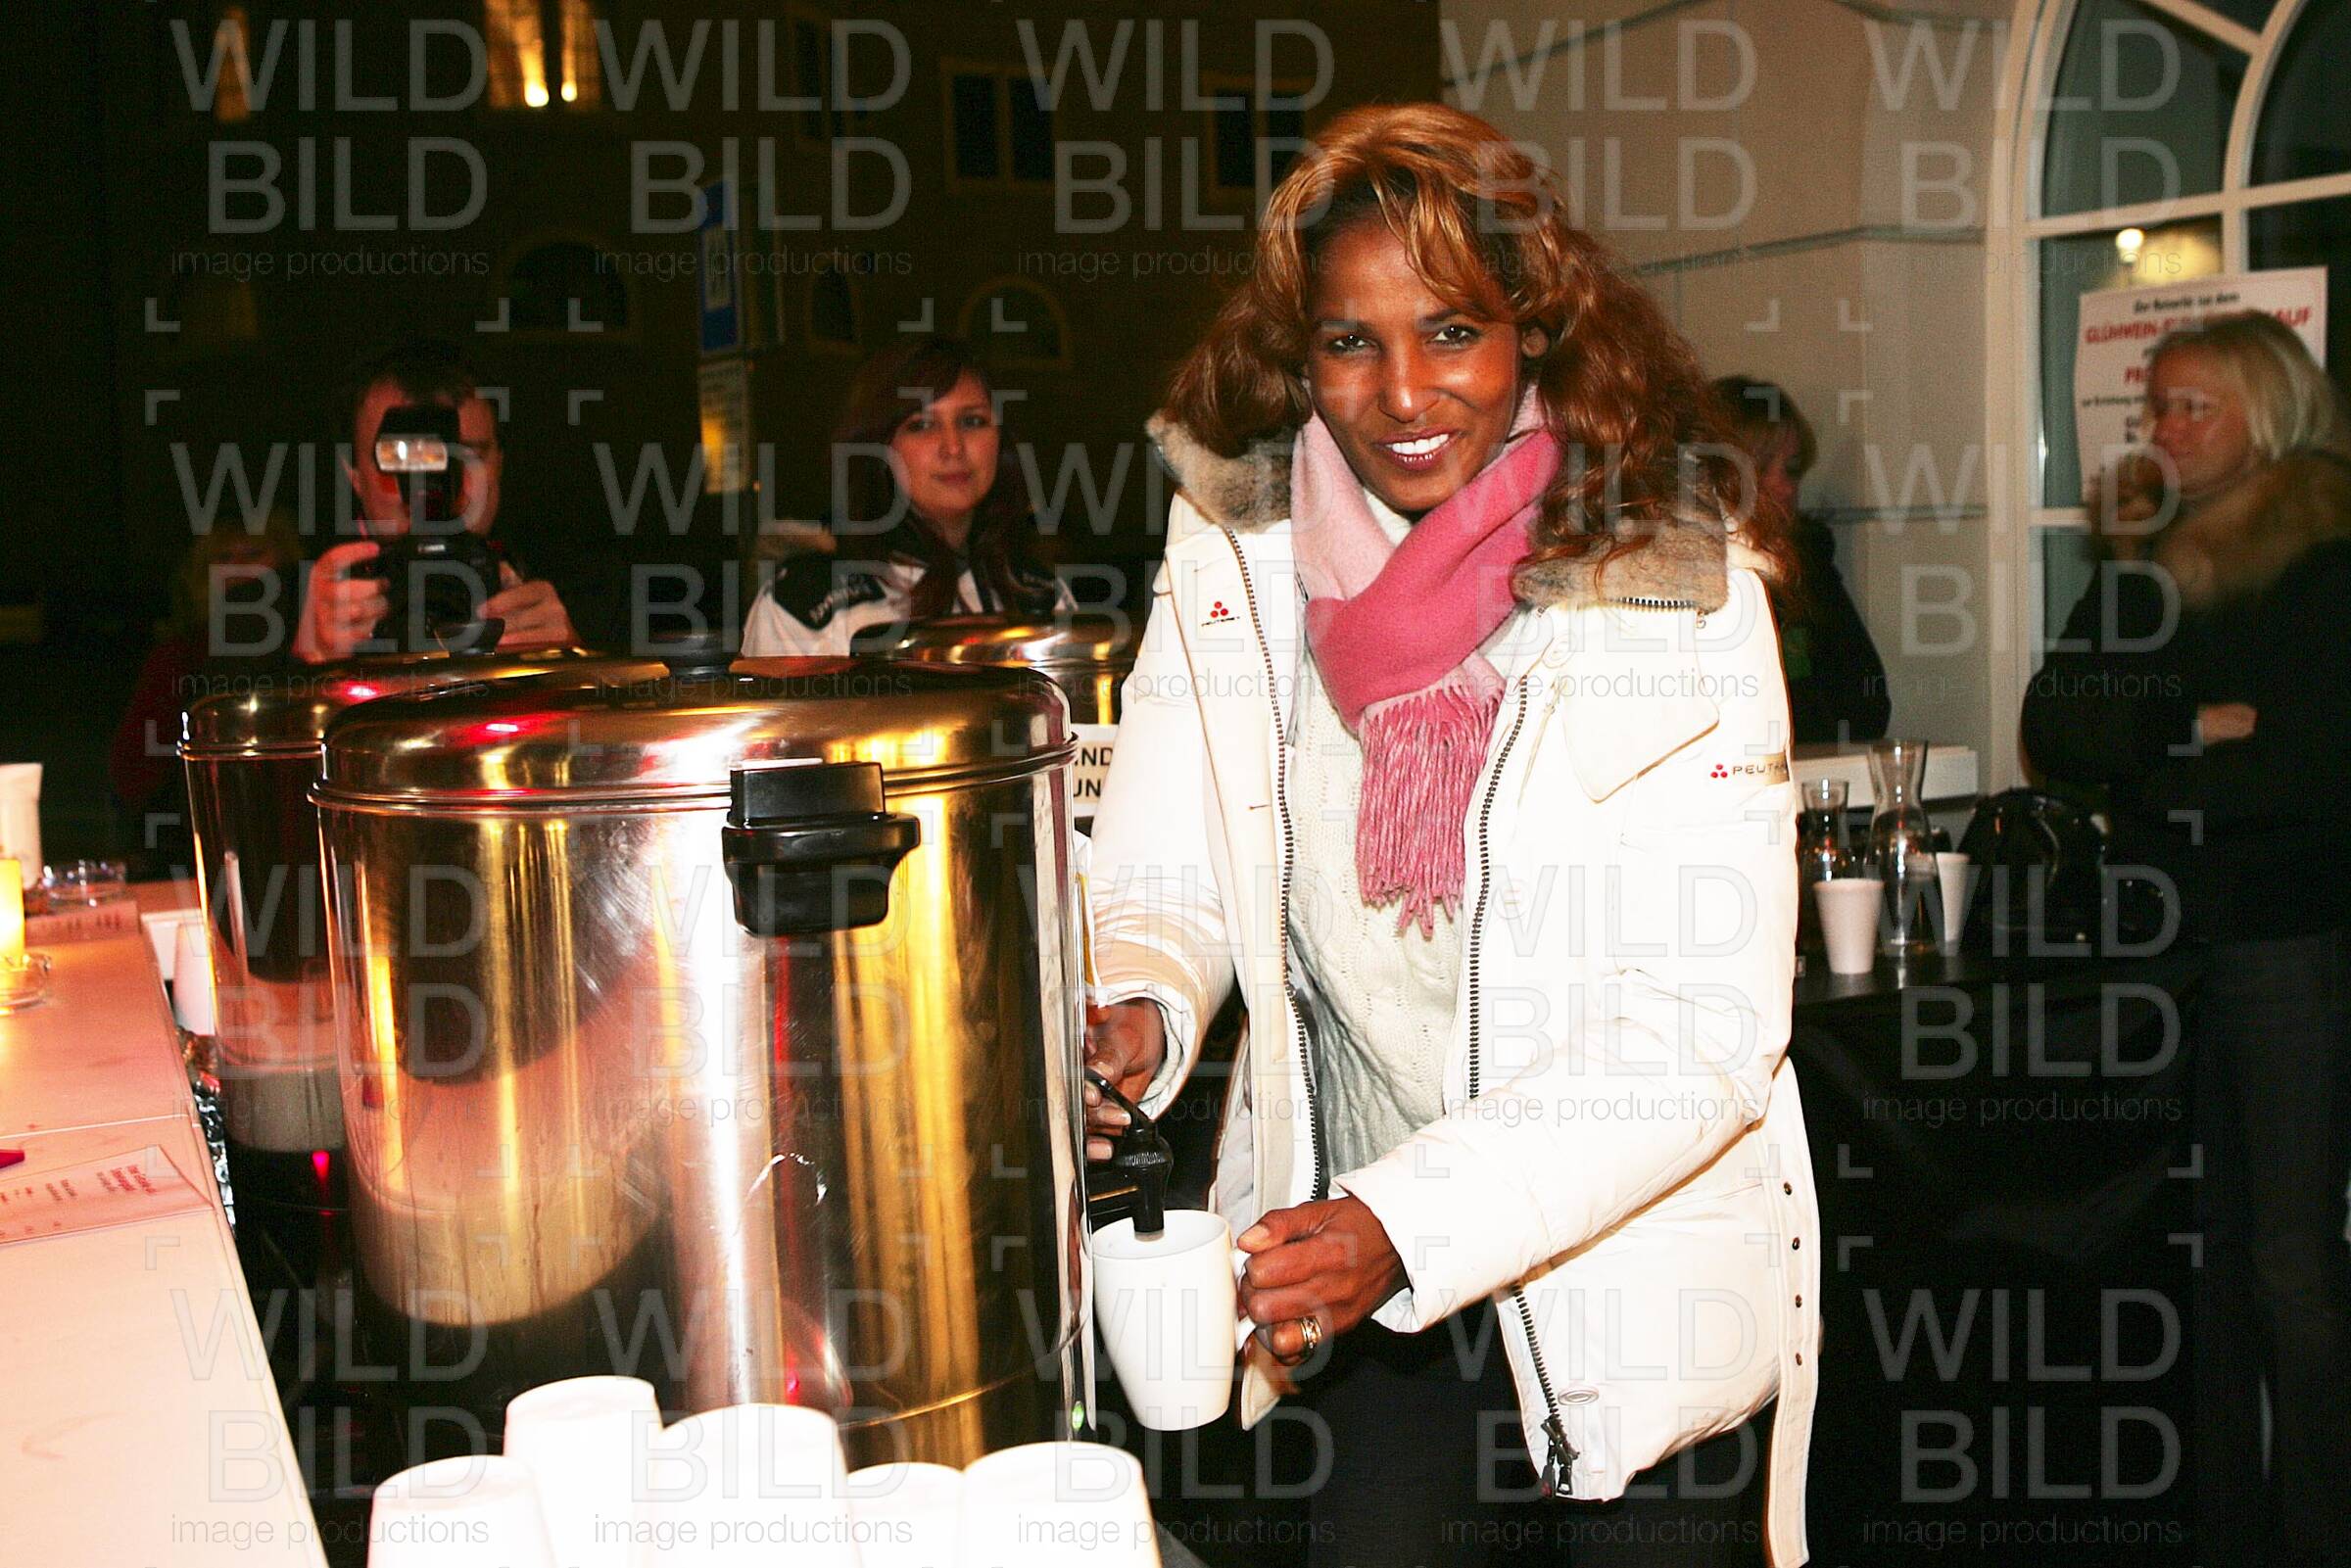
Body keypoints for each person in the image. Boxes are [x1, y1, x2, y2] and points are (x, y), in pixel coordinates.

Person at [1081, 103, 1819, 1566]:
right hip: (1371, 1289)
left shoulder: (1674, 582)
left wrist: (1406, 1221)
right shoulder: (1238, 559)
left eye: (1453, 331)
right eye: (1351, 342)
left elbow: (1707, 1025)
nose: (1404, 391)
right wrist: (1143, 1004)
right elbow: (1168, 865)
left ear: (1535, 330)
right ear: (1300, 356)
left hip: (1631, 1286)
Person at [2021, 310, 2351, 1568]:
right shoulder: (2149, 556)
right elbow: (2059, 723)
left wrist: (2150, 758)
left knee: (2294, 1268)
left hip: (2285, 944)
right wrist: (2193, 726)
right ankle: (2221, 1532)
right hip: (2162, 949)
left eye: (2190, 405)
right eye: (2154, 405)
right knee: (2189, 1256)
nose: (2161, 428)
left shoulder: (2326, 554)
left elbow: (2307, 773)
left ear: (2269, 411)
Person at [740, 336, 1066, 657]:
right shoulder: (803, 605)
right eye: (922, 425)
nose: (953, 447)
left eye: (972, 421)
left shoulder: (1038, 594)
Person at [292, 340, 578, 663]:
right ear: (354, 474)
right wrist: (310, 663)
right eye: (403, 457)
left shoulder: (577, 590)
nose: (437, 481)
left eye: (466, 456)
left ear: (499, 461)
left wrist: (568, 662)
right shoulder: (281, 606)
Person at [1712, 375, 1890, 745]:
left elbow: (1868, 703)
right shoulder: (1687, 576)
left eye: (1792, 469)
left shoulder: (1807, 563)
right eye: (1761, 468)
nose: (1786, 487)